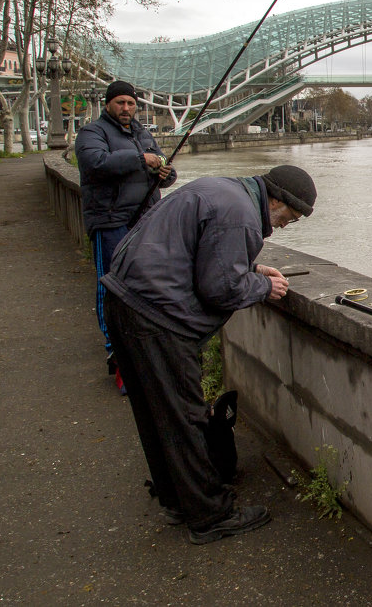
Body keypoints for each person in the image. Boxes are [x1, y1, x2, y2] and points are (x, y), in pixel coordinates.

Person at [101, 164, 316, 544]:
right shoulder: (242, 218)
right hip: (158, 317)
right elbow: (221, 288)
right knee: (185, 418)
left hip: (126, 302)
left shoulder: (223, 190)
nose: (286, 225)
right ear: (277, 199)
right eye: (290, 217)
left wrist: (250, 268)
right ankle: (210, 514)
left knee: (156, 415)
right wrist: (262, 288)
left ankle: (176, 499)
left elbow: (197, 252)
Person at [74, 80, 175, 393]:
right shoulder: (92, 133)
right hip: (110, 221)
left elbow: (167, 172)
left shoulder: (143, 134)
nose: (126, 108)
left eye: (131, 104)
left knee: (145, 284)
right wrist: (140, 160)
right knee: (111, 284)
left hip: (145, 220)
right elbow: (95, 163)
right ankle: (113, 348)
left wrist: (166, 173)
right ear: (108, 104)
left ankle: (141, 342)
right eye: (120, 103)